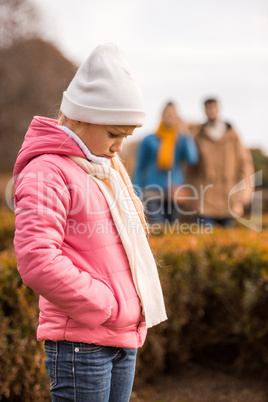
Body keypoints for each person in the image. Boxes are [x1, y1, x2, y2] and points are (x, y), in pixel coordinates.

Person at [13, 43, 167, 402]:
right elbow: (37, 260)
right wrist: (105, 305)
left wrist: (121, 314)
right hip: (82, 344)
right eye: (114, 134)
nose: (119, 148)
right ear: (82, 117)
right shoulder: (47, 171)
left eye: (125, 137)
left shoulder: (103, 168)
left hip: (121, 337)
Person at [187, 97, 254, 227]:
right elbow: (190, 169)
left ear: (218, 109)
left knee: (227, 241)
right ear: (204, 111)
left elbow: (245, 165)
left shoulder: (232, 134)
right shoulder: (198, 136)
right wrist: (191, 195)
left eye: (213, 108)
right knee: (206, 242)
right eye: (208, 109)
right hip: (205, 200)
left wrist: (244, 193)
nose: (211, 111)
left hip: (229, 198)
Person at [133, 102, 199, 224]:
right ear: (162, 116)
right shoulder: (149, 140)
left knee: (173, 227)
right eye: (167, 114)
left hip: (174, 191)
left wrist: (186, 134)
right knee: (158, 226)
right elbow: (140, 166)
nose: (170, 117)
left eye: (173, 115)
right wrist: (137, 193)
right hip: (153, 190)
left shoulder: (181, 140)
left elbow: (192, 159)